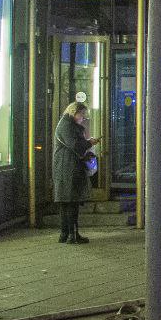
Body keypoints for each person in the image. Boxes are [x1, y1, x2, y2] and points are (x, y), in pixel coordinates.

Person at [54, 101, 99, 244]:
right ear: (75, 112)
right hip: (69, 168)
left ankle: (65, 233)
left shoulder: (66, 124)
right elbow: (75, 146)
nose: (83, 118)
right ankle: (72, 235)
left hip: (65, 166)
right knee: (71, 201)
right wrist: (89, 143)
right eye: (82, 115)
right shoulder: (67, 125)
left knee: (66, 202)